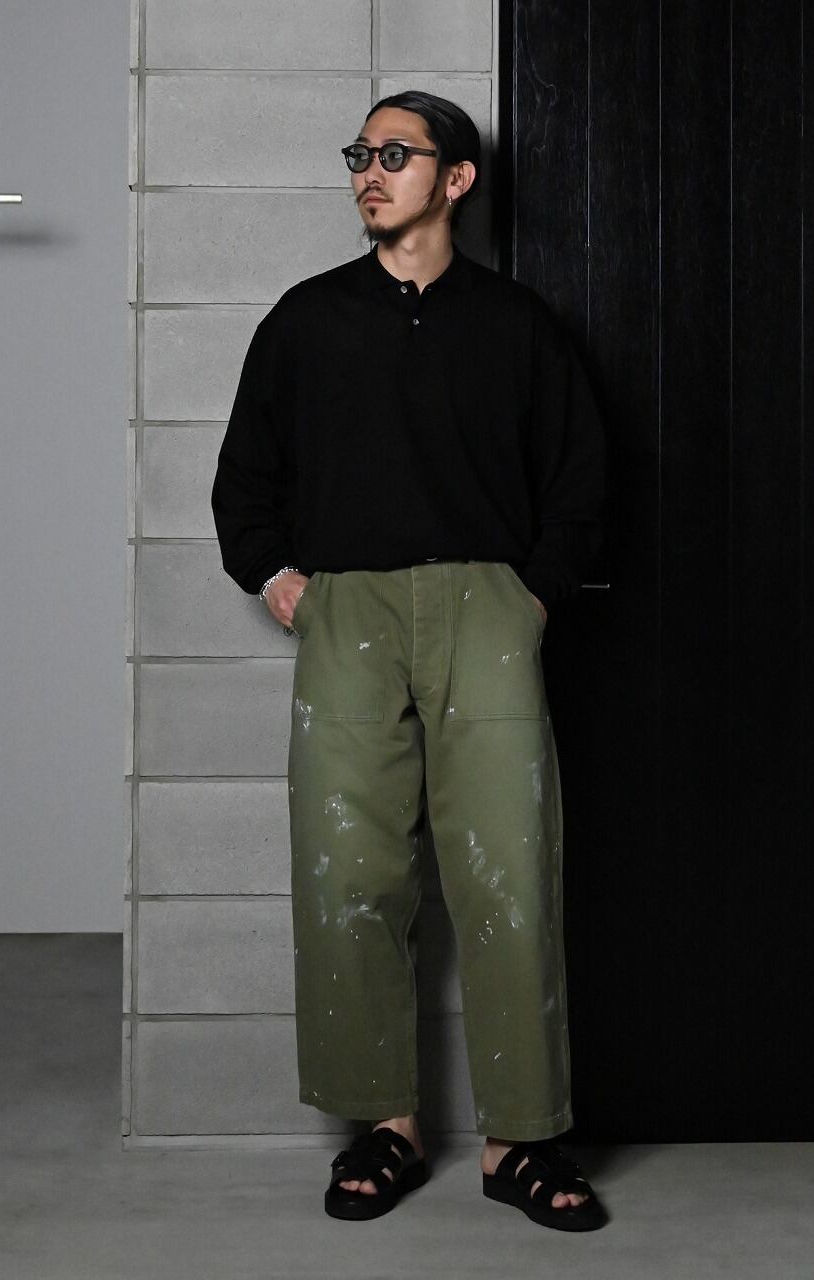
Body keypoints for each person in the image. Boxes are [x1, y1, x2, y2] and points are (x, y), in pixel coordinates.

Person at [211, 90, 608, 1231]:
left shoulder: (517, 324)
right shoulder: (305, 321)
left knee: (510, 872)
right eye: (360, 154)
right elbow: (244, 479)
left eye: (396, 153)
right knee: (348, 874)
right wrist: (283, 581)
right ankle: (382, 1126)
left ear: (456, 178)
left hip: (486, 610)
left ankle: (520, 1137)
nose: (369, 173)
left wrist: (527, 597)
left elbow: (582, 478)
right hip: (348, 613)